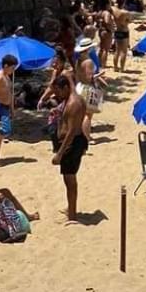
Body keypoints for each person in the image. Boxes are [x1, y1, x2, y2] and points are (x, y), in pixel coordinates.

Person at [51, 75, 88, 221]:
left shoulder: (74, 103)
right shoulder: (70, 100)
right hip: (73, 142)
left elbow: (72, 131)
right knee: (68, 178)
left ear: (66, 88)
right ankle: (71, 208)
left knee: (70, 179)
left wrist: (59, 154)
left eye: (58, 91)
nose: (57, 95)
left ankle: (72, 214)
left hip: (72, 144)